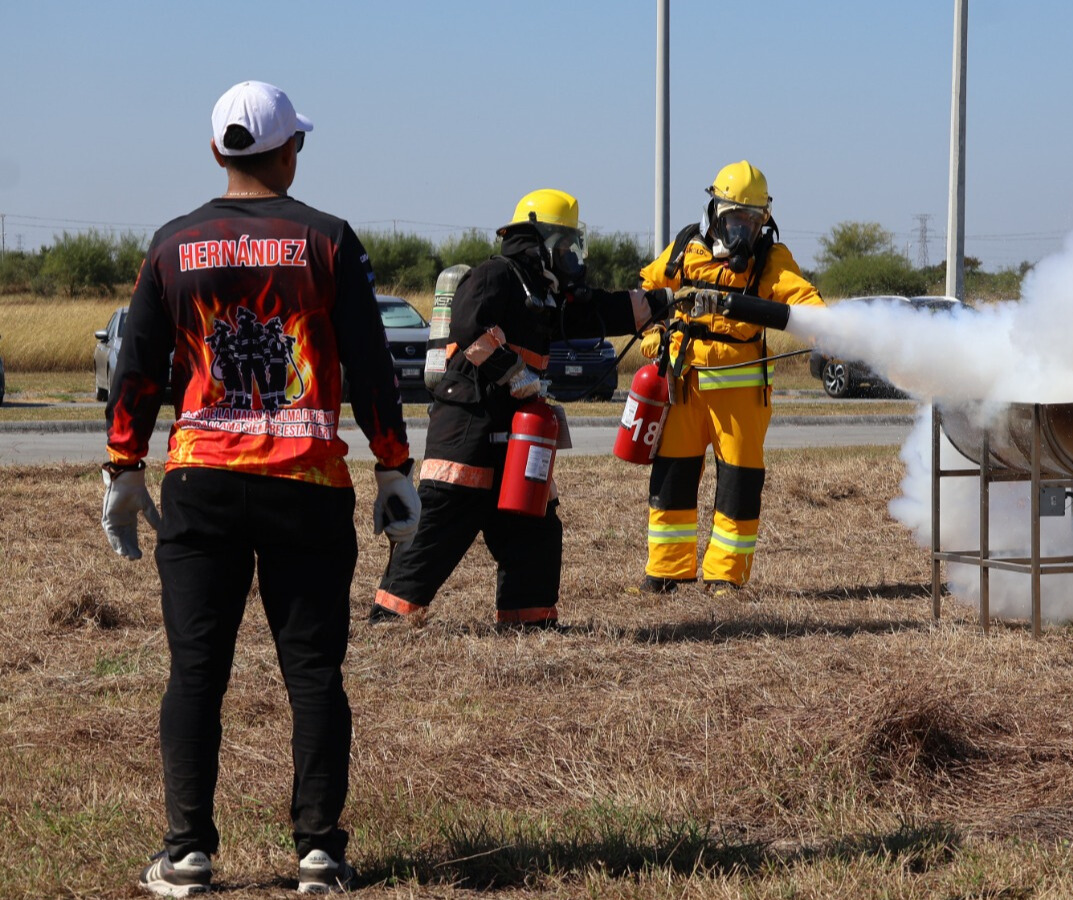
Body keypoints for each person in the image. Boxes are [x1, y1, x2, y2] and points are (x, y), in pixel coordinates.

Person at [100, 80, 420, 897]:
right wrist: (392, 464)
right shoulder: (328, 240)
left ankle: (186, 854)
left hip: (203, 482)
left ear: (216, 152)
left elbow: (136, 366)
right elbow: (370, 363)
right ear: (289, 153)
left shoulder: (174, 245)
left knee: (195, 670)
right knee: (313, 671)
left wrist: (124, 466)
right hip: (307, 485)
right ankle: (319, 853)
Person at [370, 189, 674, 629]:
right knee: (437, 530)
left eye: (573, 244)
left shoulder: (543, 293)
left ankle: (527, 621)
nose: (569, 254)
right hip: (467, 434)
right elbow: (470, 326)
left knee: (536, 531)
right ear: (536, 239)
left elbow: (596, 313)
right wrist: (513, 372)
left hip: (515, 439)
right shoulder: (496, 275)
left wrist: (663, 305)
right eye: (562, 243)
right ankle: (389, 618)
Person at [636, 160, 824, 594]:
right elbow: (648, 292)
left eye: (752, 220)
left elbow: (802, 299)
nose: (743, 230)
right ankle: (665, 571)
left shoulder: (770, 259)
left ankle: (724, 577)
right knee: (672, 477)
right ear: (715, 211)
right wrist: (653, 335)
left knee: (738, 485)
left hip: (739, 394)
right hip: (683, 385)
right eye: (735, 219)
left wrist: (828, 329)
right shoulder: (686, 246)